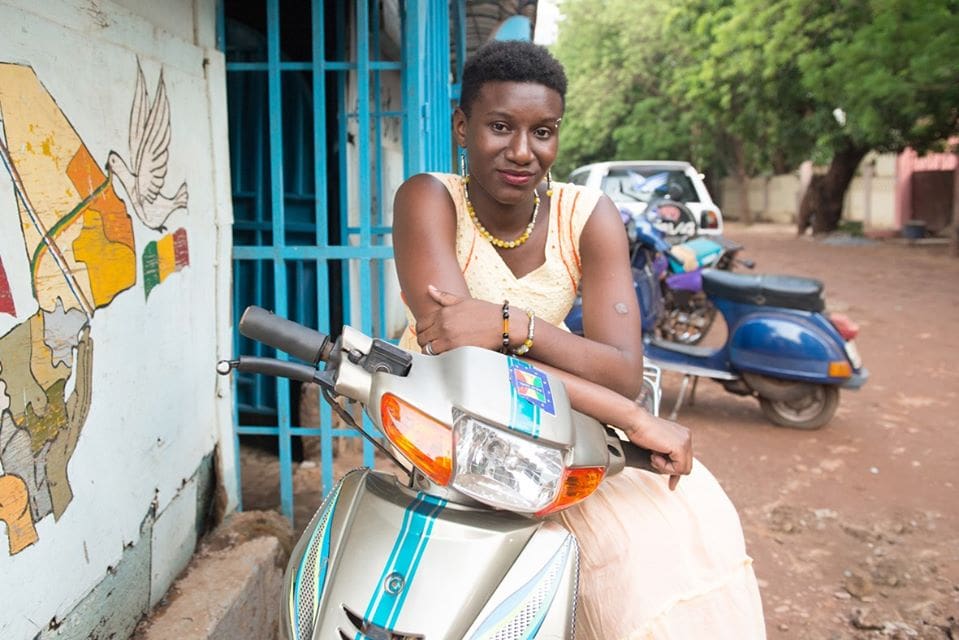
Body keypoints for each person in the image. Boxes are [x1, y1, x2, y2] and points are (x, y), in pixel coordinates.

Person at [392, 40, 765, 639]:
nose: (523, 151)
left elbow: (622, 371)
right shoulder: (428, 199)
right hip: (446, 431)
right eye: (499, 127)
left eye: (543, 132)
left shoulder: (586, 214)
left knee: (686, 522)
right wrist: (630, 418)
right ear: (462, 127)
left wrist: (511, 324)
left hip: (549, 424)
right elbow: (460, 360)